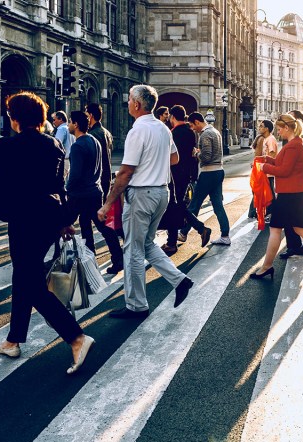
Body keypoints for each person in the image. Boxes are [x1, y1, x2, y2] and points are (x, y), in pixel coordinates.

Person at [0, 92, 94, 374]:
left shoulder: (10, 144)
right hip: (49, 218)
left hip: (23, 220)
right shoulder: (52, 142)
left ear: (14, 118)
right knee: (24, 276)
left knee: (30, 283)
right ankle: (13, 339)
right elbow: (59, 185)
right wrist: (65, 220)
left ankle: (76, 337)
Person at [97, 84, 193, 317]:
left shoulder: (137, 131)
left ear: (137, 104)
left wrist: (108, 203)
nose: (128, 103)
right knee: (147, 244)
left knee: (132, 251)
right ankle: (179, 280)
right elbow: (174, 158)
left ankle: (136, 305)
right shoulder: (163, 128)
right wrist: (154, 164)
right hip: (161, 192)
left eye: (129, 99)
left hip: (141, 194)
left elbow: (126, 172)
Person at [250, 113, 303, 280]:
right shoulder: (295, 143)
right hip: (294, 192)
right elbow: (283, 164)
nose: (278, 132)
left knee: (275, 228)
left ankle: (266, 267)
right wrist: (266, 159)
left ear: (287, 128)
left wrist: (265, 167)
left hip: (291, 194)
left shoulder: (294, 145)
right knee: (300, 228)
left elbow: (285, 171)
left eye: (280, 129)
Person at [65, 110, 123, 271]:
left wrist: (66, 189)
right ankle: (117, 258)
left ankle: (66, 261)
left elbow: (75, 175)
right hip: (95, 191)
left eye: (70, 121)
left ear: (76, 124)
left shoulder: (77, 146)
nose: (69, 124)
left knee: (62, 224)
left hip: (79, 194)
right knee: (99, 226)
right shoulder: (94, 141)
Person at [163, 105, 211, 255]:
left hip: (175, 175)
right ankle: (173, 241)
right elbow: (193, 155)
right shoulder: (191, 133)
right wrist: (193, 175)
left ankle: (198, 229)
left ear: (172, 117)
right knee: (176, 206)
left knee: (175, 206)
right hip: (186, 175)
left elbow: (170, 156)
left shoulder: (173, 133)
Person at [178, 112, 231, 245]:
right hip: (218, 171)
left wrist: (197, 153)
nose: (192, 128)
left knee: (194, 204)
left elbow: (206, 157)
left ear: (197, 121)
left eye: (192, 125)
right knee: (218, 205)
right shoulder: (215, 131)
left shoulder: (205, 134)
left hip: (208, 173)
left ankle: (183, 233)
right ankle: (225, 235)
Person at [280, 109, 303, 259]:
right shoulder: (297, 137)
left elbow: (289, 164)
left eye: (289, 119)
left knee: (302, 218)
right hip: (300, 183)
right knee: (298, 218)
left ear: (297, 121)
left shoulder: (301, 138)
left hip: (300, 183)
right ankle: (299, 246)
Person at [248, 119, 278, 220]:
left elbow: (272, 156)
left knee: (270, 193)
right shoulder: (265, 139)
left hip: (268, 171)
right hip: (264, 171)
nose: (259, 128)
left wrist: (264, 166)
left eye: (261, 126)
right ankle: (267, 213)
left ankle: (272, 213)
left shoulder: (271, 139)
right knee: (264, 192)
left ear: (267, 129)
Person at [85, 103, 114, 204]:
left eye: (86, 114)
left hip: (96, 180)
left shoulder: (92, 135)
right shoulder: (106, 132)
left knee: (92, 213)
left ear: (91, 115)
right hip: (106, 176)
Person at [52, 111, 74, 177]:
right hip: (70, 161)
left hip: (64, 161)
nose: (53, 122)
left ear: (60, 119)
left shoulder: (61, 129)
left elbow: (57, 145)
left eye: (54, 119)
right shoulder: (69, 129)